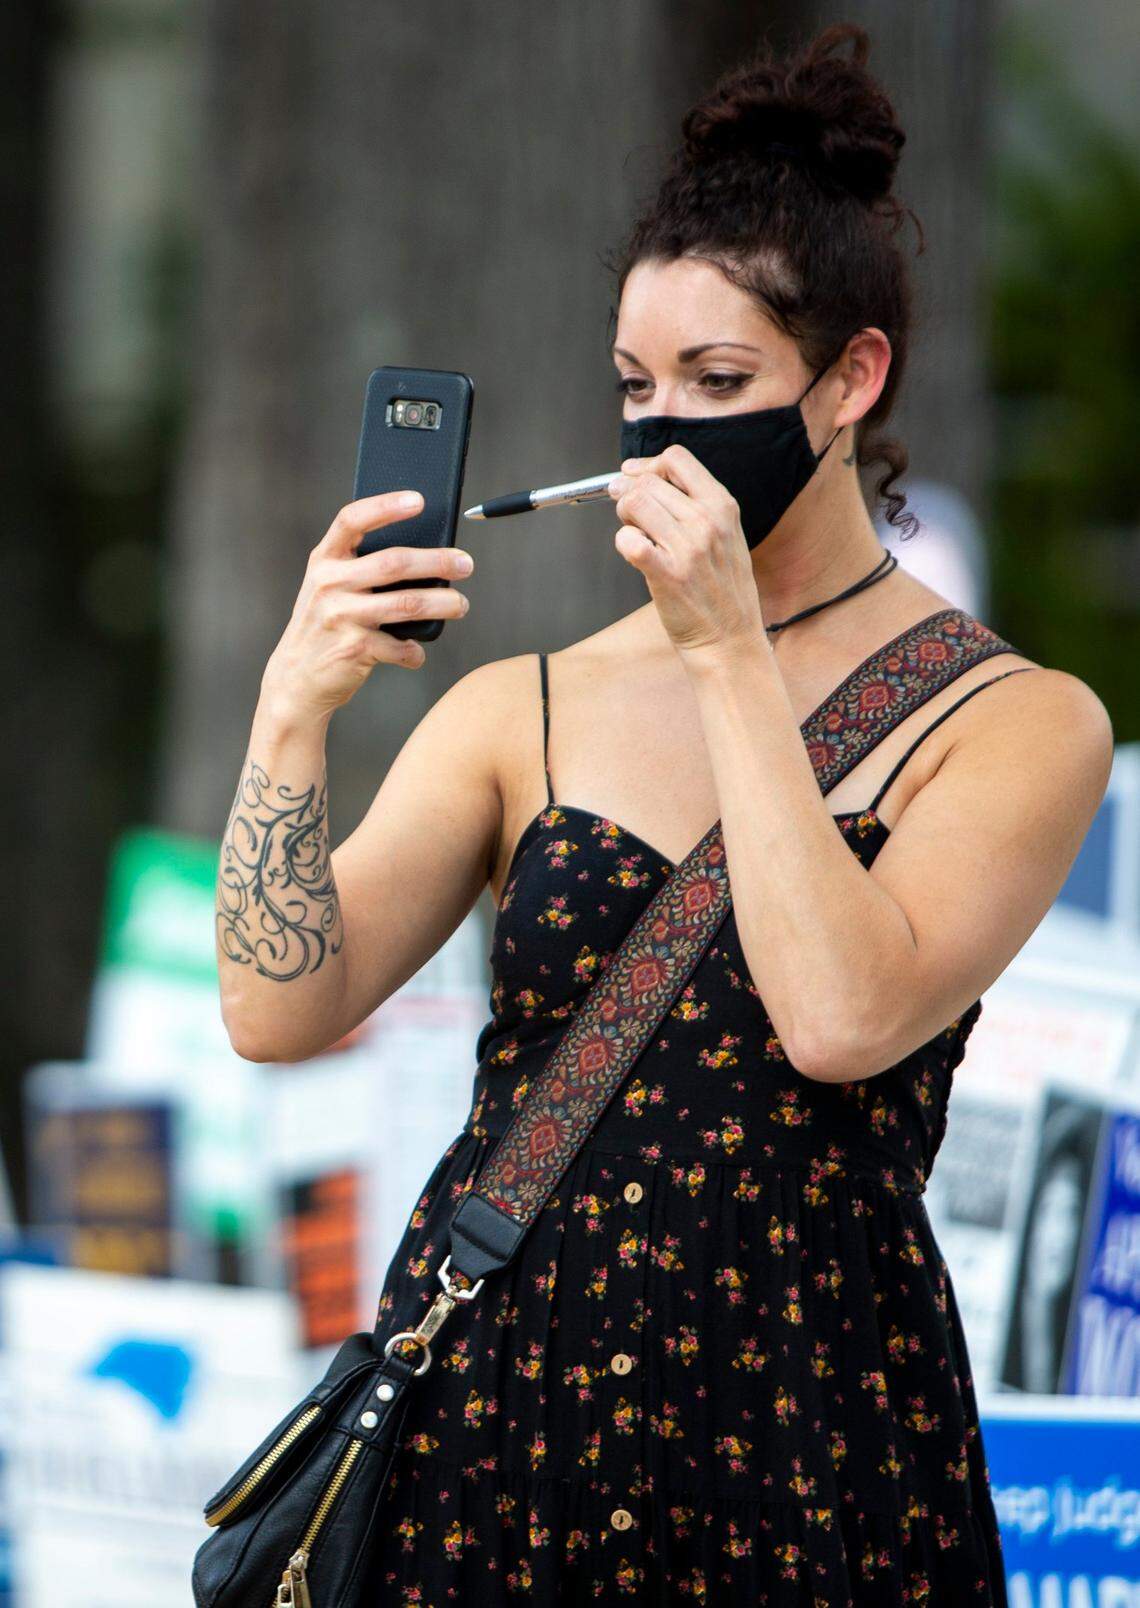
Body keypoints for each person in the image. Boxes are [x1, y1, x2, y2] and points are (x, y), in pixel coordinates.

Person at [214, 21, 1113, 1607]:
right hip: (502, 1406)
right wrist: (293, 711)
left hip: (810, 1426)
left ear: (851, 381)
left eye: (720, 382)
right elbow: (277, 1007)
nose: (664, 428)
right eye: (636, 385)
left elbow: (841, 1017)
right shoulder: (530, 704)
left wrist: (726, 657)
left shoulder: (1018, 721)